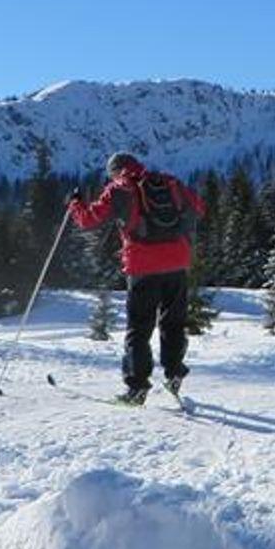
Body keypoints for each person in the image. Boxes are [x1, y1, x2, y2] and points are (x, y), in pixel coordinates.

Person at [69, 152, 206, 405]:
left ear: (116, 171)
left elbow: (88, 220)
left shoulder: (120, 189)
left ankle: (137, 387)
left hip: (143, 266)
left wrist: (75, 204)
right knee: (173, 322)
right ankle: (174, 372)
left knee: (139, 328)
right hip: (177, 262)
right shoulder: (169, 182)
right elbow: (199, 207)